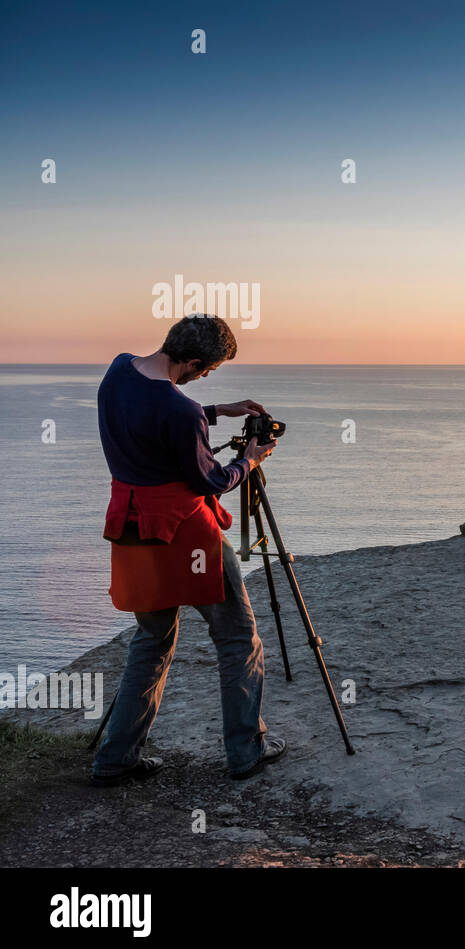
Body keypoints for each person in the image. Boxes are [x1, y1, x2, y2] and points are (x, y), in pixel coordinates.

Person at [91, 313, 285, 786]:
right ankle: (245, 751)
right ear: (195, 361)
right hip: (186, 536)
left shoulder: (118, 370)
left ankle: (116, 759)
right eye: (208, 371)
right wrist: (250, 459)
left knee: (152, 639)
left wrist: (217, 410)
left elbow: (153, 412)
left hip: (135, 529)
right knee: (238, 638)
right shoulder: (179, 412)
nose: (206, 377)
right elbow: (211, 481)